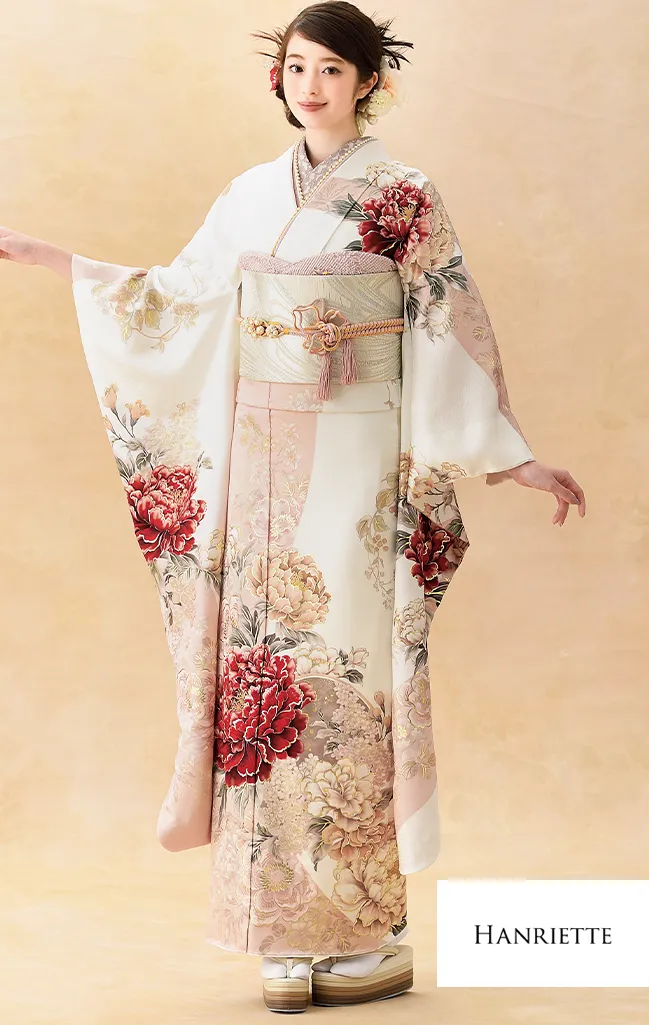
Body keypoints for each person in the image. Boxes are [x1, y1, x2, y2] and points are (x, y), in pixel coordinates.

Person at [0, 0, 586, 1013]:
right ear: (278, 78)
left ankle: (367, 931)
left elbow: (446, 320)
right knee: (259, 672)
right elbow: (181, 297)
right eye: (296, 67)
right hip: (261, 456)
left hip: (361, 453)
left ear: (368, 81)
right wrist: (67, 265)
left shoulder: (404, 194)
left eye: (331, 69)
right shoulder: (248, 194)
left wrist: (511, 458)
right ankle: (278, 926)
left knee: (344, 675)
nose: (310, 86)